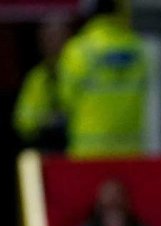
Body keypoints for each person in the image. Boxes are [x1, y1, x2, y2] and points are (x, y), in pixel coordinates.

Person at [58, 0, 148, 158]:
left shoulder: (79, 50)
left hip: (89, 150)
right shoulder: (139, 48)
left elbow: (66, 99)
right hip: (132, 150)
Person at [13, 18, 71, 151]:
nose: (52, 43)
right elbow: (23, 121)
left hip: (77, 149)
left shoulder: (79, 70)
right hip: (46, 148)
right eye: (47, 38)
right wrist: (47, 120)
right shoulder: (37, 77)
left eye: (56, 37)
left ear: (68, 39)